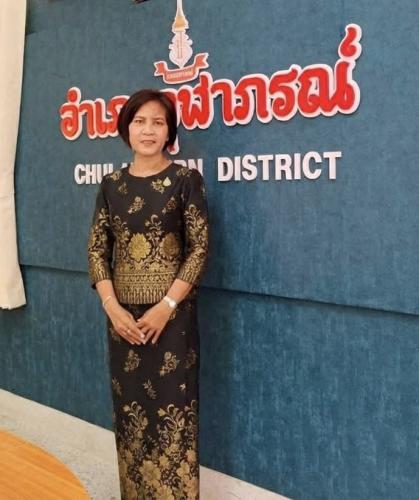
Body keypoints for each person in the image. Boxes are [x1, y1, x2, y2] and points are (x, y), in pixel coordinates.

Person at [87, 88, 209, 499]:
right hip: (122, 323)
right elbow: (97, 249)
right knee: (132, 416)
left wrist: (166, 306)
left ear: (170, 132)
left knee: (173, 417)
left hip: (172, 323)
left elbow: (199, 249)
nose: (148, 130)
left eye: (158, 122)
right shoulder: (111, 185)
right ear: (126, 128)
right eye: (140, 121)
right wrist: (112, 308)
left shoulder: (185, 181)